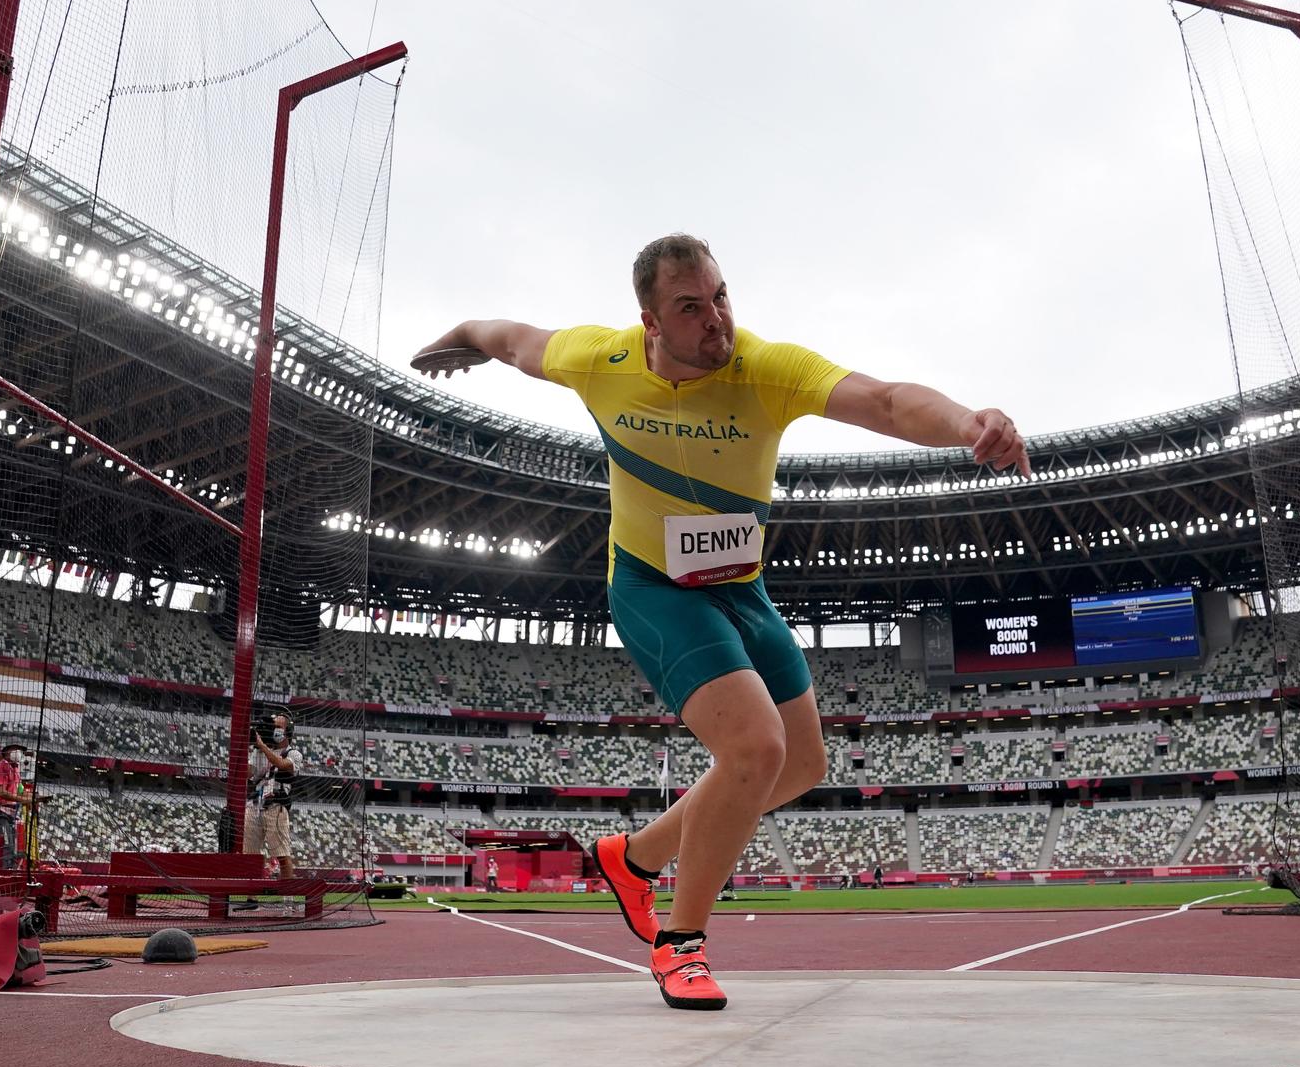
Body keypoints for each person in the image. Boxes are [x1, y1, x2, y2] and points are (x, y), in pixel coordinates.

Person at [415, 232, 1029, 1010]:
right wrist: (462, 336)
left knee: (803, 763)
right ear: (651, 321)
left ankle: (631, 857)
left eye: (721, 297)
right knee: (754, 746)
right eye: (691, 307)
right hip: (653, 585)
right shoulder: (598, 361)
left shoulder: (765, 369)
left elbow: (883, 399)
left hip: (741, 584)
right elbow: (510, 339)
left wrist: (969, 421)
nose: (717, 320)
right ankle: (680, 944)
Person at [243, 711, 301, 884]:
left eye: (278, 727)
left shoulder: (294, 754)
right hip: (255, 804)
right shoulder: (259, 752)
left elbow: (282, 764)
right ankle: (251, 897)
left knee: (282, 855)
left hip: (276, 806)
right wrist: (248, 747)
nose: (273, 730)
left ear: (287, 731)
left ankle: (288, 899)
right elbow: (248, 774)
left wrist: (261, 745)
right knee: (250, 855)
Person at [0, 744, 26, 868]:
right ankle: (3, 874)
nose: (18, 753)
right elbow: (1, 792)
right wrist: (22, 799)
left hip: (9, 813)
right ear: (7, 752)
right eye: (15, 750)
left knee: (11, 848)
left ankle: (8, 871)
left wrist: (32, 798)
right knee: (6, 846)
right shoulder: (1, 766)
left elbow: (19, 791)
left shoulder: (16, 769)